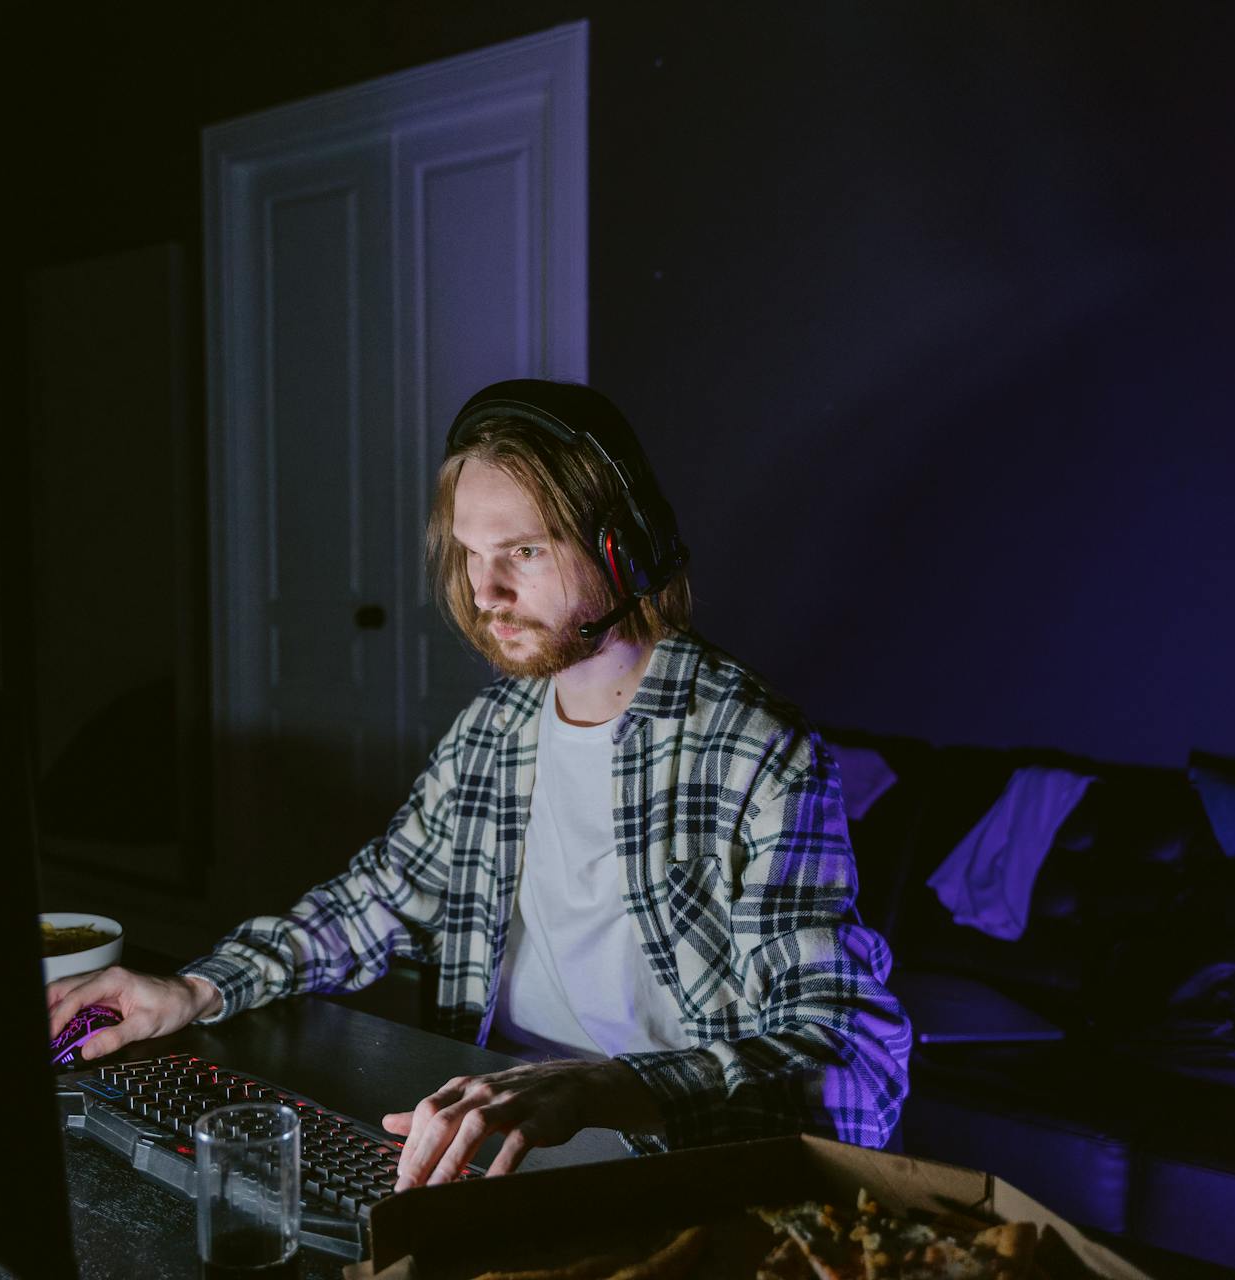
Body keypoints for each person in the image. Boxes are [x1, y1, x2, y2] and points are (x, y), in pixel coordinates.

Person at [46, 380, 910, 1190]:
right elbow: (372, 900)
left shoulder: (755, 748)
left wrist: (595, 1090)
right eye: (470, 555)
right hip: (497, 1135)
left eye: (524, 551)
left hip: (673, 1158)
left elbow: (844, 1065)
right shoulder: (495, 730)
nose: (484, 592)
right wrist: (194, 988)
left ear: (624, 546)